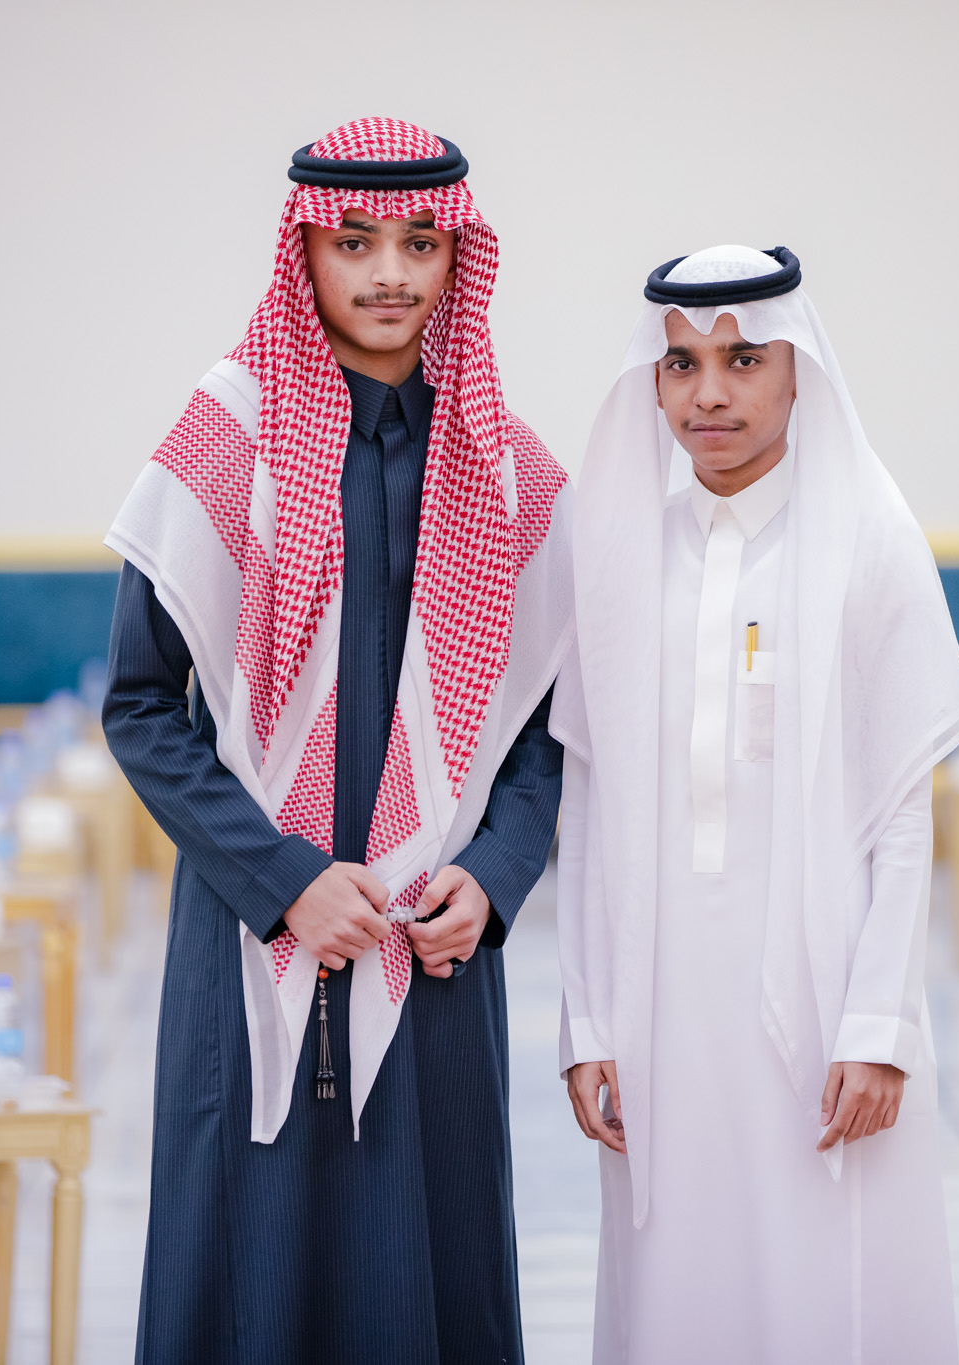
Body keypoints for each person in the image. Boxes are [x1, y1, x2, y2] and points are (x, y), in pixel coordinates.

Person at [101, 117, 571, 1364]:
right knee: (247, 1265)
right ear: (301, 250)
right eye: (353, 241)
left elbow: (549, 730)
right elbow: (140, 708)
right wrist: (285, 882)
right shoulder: (222, 449)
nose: (389, 273)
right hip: (254, 927)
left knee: (431, 1264)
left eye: (420, 242)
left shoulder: (512, 475)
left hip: (436, 942)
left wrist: (496, 876)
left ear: (458, 255)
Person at [553, 244, 959, 1363]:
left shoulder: (868, 544)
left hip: (822, 1003)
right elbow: (586, 806)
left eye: (743, 360)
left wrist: (878, 1026)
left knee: (823, 1286)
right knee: (675, 1291)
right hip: (659, 1006)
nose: (710, 392)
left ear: (798, 373)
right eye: (681, 364)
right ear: (651, 383)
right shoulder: (619, 558)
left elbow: (902, 815)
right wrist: (587, 1023)